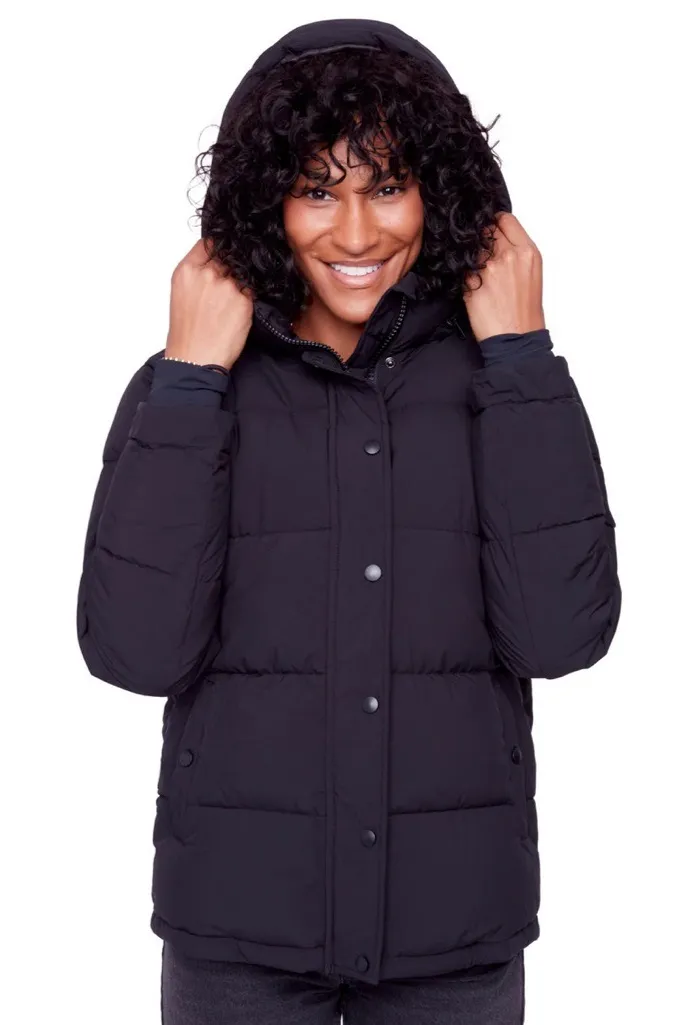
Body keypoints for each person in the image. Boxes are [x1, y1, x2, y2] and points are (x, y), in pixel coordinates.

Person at [76, 18, 621, 1025]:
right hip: (239, 930)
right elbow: (133, 650)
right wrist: (189, 382)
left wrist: (522, 361)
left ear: (442, 194)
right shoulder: (187, 386)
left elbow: (561, 635)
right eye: (317, 190)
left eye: (388, 185)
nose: (358, 234)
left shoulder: (508, 378)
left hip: (451, 931)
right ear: (262, 203)